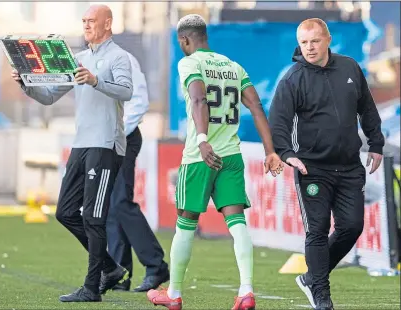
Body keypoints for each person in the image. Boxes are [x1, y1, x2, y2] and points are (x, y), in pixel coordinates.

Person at [147, 14, 284, 310]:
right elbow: (257, 106)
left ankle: (173, 294)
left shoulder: (190, 63)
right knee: (237, 224)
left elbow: (198, 100)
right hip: (231, 157)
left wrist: (201, 139)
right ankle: (246, 291)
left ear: (185, 40)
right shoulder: (233, 67)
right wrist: (270, 151)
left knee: (185, 224)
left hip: (200, 157)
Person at [12, 4, 133, 302]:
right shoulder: (77, 59)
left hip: (105, 145)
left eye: (92, 21)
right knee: (65, 212)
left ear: (108, 24)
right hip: (81, 144)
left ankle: (92, 288)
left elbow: (126, 92)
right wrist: (27, 85)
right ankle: (109, 267)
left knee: (93, 217)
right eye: (84, 21)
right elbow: (50, 96)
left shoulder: (118, 57)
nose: (87, 25)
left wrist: (96, 81)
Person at [268, 18, 385, 310]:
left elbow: (367, 109)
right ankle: (321, 296)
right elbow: (278, 121)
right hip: (312, 169)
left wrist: (376, 144)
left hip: (349, 168)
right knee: (317, 231)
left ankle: (311, 277)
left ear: (328, 40)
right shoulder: (292, 78)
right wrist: (286, 153)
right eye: (304, 42)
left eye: (315, 41)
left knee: (352, 227)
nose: (309, 47)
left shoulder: (350, 68)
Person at [106, 52, 170, 292]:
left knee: (121, 203)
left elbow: (140, 101)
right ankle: (120, 274)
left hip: (122, 138)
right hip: (105, 140)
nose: (87, 29)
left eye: (92, 22)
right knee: (112, 208)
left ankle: (156, 266)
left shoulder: (123, 59)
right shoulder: (90, 59)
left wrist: (117, 133)